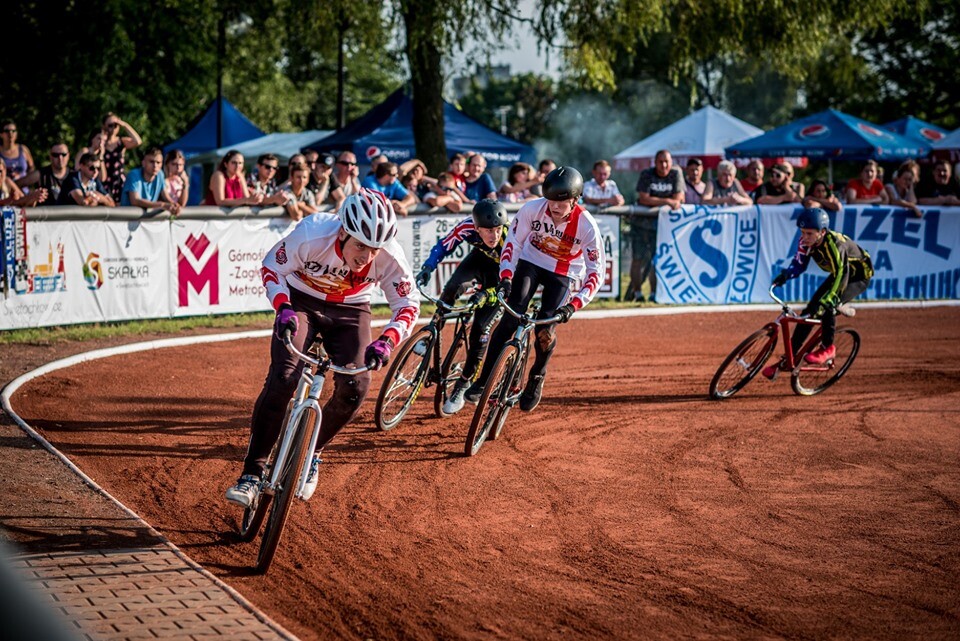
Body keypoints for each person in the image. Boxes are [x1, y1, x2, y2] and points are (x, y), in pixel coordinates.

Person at [224, 189, 420, 507]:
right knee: (284, 378)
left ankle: (313, 450)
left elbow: (408, 304)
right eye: (360, 245)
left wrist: (387, 341)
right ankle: (251, 474)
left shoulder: (390, 256)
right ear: (342, 233)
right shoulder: (312, 231)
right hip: (301, 301)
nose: (366, 257)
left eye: (373, 249)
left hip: (351, 311)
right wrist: (282, 306)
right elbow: (272, 268)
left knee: (356, 387)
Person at [464, 167, 605, 412]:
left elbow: (596, 273)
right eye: (550, 200)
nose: (554, 207)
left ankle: (537, 376)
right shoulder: (532, 209)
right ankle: (484, 378)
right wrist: (506, 275)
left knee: (544, 331)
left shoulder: (587, 226)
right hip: (531, 262)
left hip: (563, 272)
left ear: (575, 199)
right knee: (510, 317)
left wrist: (574, 305)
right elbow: (513, 243)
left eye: (561, 202)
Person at [415, 199, 509, 413]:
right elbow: (444, 246)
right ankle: (433, 332)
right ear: (476, 228)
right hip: (478, 262)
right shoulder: (467, 226)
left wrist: (488, 294)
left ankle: (463, 384)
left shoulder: (510, 237)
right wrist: (429, 266)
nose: (494, 236)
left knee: (480, 331)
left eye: (497, 230)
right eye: (487, 231)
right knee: (452, 287)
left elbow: (512, 284)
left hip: (501, 279)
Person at [764, 207, 873, 378]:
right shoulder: (805, 242)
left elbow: (842, 274)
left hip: (857, 276)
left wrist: (830, 299)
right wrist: (785, 276)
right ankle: (787, 360)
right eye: (802, 232)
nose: (804, 237)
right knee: (808, 312)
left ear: (822, 232)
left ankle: (828, 348)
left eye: (809, 233)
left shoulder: (836, 245)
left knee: (827, 303)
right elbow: (799, 265)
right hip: (839, 275)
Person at [632, 149, 684, 302]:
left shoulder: (676, 174)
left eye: (667, 161)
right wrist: (666, 201)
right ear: (655, 163)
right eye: (660, 162)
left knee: (658, 259)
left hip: (664, 226)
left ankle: (655, 293)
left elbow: (678, 198)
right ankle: (637, 293)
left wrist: (664, 201)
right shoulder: (647, 174)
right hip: (641, 224)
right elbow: (644, 199)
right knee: (638, 259)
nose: (664, 165)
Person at [121, 146, 178, 214]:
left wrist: (174, 205)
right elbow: (135, 201)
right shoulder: (133, 175)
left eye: (158, 162)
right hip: (127, 218)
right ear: (143, 163)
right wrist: (162, 205)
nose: (155, 166)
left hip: (145, 219)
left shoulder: (160, 174)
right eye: (151, 162)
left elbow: (165, 196)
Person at [100, 113, 143, 204]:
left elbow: (137, 141)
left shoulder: (121, 142)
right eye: (110, 125)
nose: (113, 128)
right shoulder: (100, 142)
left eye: (116, 125)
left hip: (119, 181)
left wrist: (124, 125)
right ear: (104, 126)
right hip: (104, 181)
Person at [0, 120, 36, 188]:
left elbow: (31, 168)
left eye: (13, 131)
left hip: (24, 192)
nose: (10, 134)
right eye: (7, 131)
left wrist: (24, 178)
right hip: (5, 193)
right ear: (1, 134)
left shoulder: (23, 149)